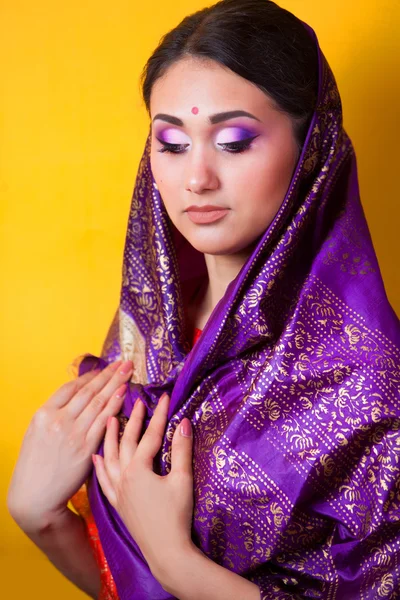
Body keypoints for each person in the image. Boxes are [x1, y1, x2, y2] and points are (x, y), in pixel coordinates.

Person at [7, 0, 400, 598]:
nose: (197, 179)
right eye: (171, 142)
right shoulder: (147, 331)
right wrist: (40, 517)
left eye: (235, 141)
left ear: (311, 153)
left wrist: (174, 558)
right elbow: (126, 585)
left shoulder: (369, 386)